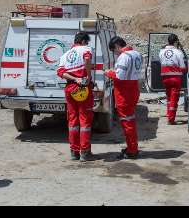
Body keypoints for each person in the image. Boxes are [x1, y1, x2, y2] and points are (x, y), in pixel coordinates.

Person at [56, 32, 96, 162]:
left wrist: (74, 78)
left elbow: (60, 72)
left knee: (72, 121)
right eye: (87, 42)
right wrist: (88, 76)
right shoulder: (86, 49)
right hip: (83, 89)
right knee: (85, 120)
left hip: (69, 88)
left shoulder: (65, 55)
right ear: (84, 41)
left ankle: (74, 152)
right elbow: (87, 58)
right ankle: (85, 152)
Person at [105, 36, 142, 159]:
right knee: (130, 121)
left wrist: (108, 72)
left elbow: (119, 76)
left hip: (124, 93)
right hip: (133, 89)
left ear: (116, 46)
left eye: (113, 50)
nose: (115, 53)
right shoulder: (136, 54)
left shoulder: (124, 56)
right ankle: (132, 147)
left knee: (127, 123)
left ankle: (132, 150)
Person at [159, 34, 187, 125]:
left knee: (168, 97)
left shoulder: (161, 52)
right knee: (174, 99)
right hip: (175, 78)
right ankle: (171, 119)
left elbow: (161, 63)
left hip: (165, 78)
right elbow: (182, 67)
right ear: (175, 42)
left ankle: (168, 114)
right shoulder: (178, 52)